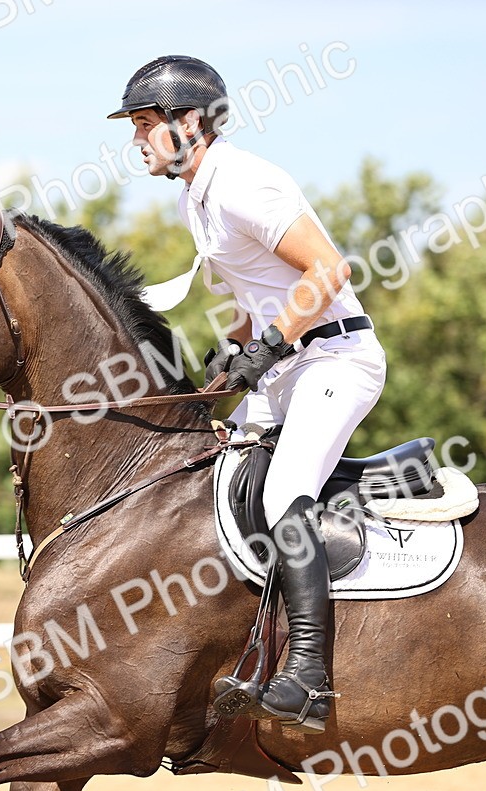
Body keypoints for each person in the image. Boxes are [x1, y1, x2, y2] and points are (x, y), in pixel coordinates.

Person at [108, 55, 387, 733]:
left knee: (283, 490)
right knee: (214, 474)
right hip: (288, 368)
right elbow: (252, 297)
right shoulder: (194, 198)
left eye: (145, 123)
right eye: (135, 126)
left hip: (336, 360)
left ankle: (311, 677)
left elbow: (329, 270)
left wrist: (268, 347)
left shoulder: (243, 184)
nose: (136, 139)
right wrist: (229, 360)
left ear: (189, 123)